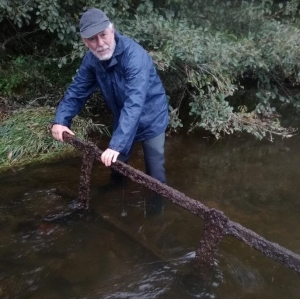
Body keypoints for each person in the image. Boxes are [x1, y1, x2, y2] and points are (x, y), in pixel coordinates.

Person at [51, 8, 169, 184]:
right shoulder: (92, 61)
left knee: (155, 173)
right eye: (92, 39)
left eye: (103, 35)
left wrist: (116, 145)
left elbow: (135, 103)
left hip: (151, 117)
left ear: (112, 31)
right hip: (123, 115)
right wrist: (61, 120)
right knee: (116, 165)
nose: (100, 43)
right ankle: (114, 199)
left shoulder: (134, 57)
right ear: (85, 42)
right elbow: (77, 91)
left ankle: (157, 208)